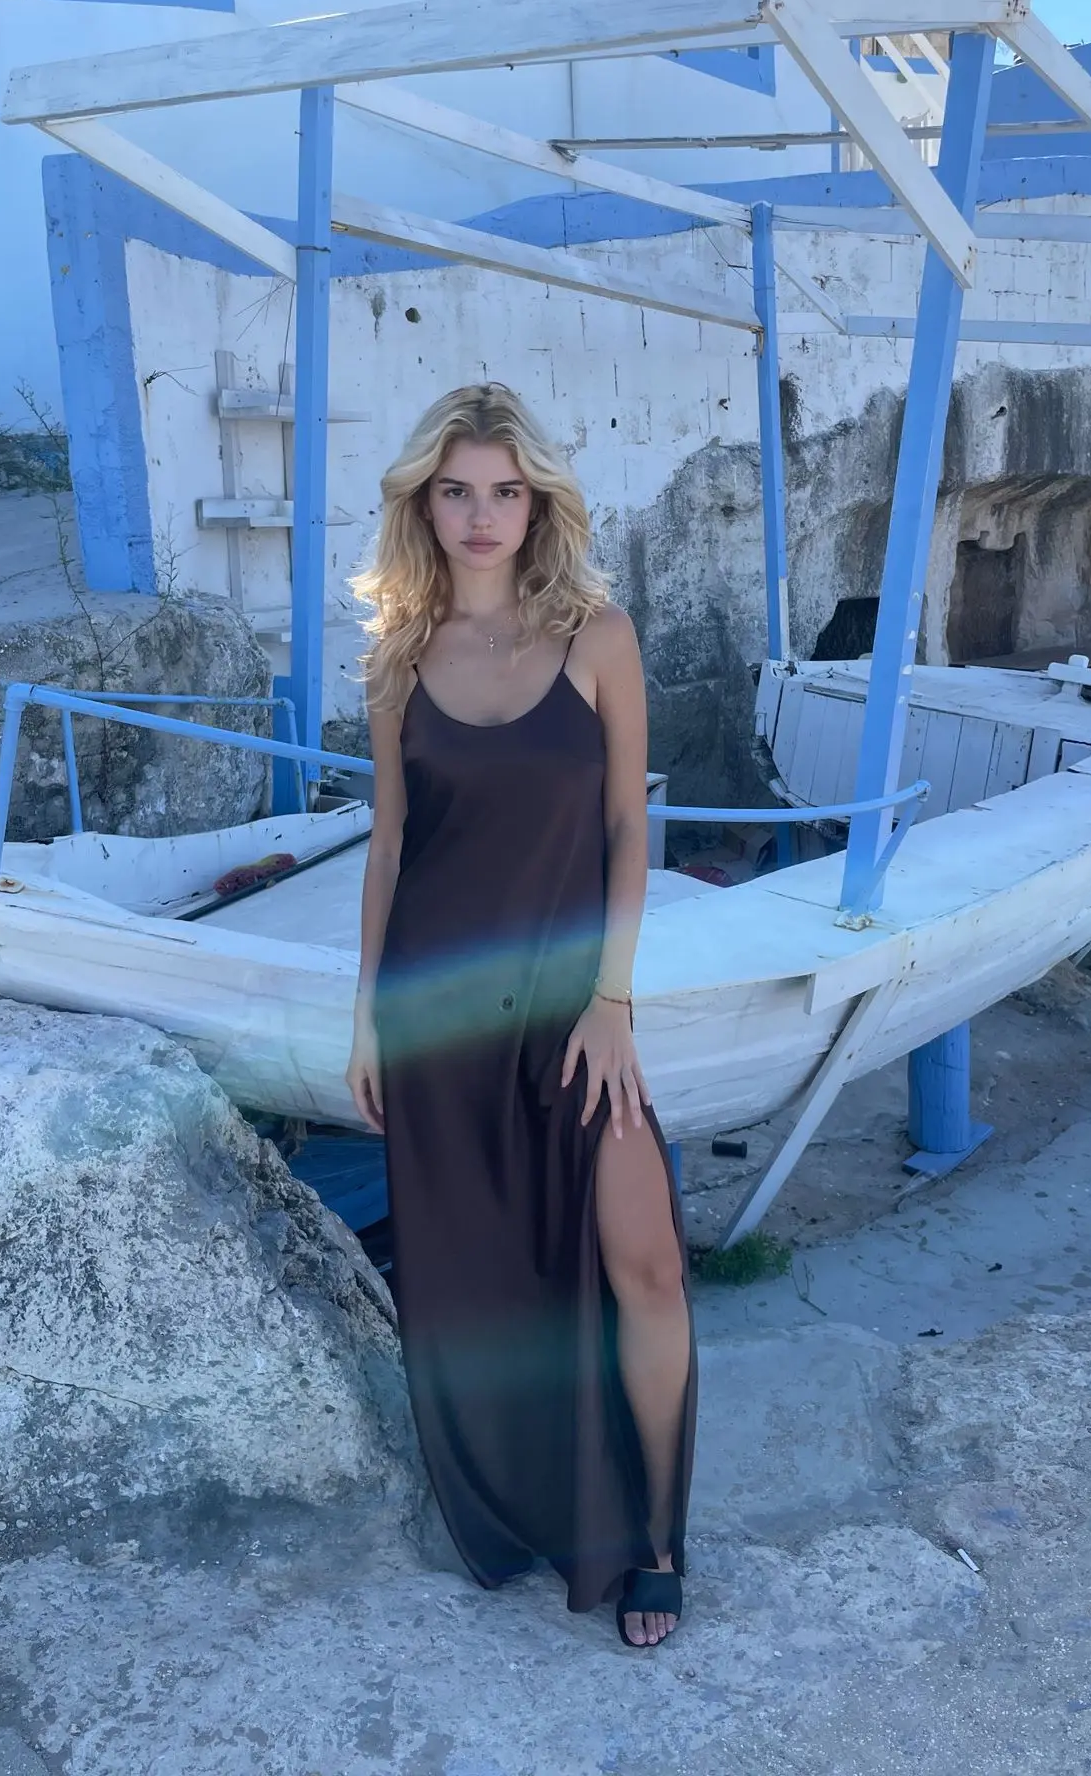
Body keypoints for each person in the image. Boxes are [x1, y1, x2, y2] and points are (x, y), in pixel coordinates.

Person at [345, 383, 696, 1648]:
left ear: (539, 502)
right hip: (437, 1014)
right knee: (487, 1286)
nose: (480, 515)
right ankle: (548, 1507)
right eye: (456, 491)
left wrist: (612, 1000)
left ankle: (655, 1539)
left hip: (573, 1008)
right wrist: (369, 1018)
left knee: (644, 1262)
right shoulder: (399, 657)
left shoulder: (598, 636)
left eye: (504, 491)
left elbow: (627, 829)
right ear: (423, 504)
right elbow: (391, 846)